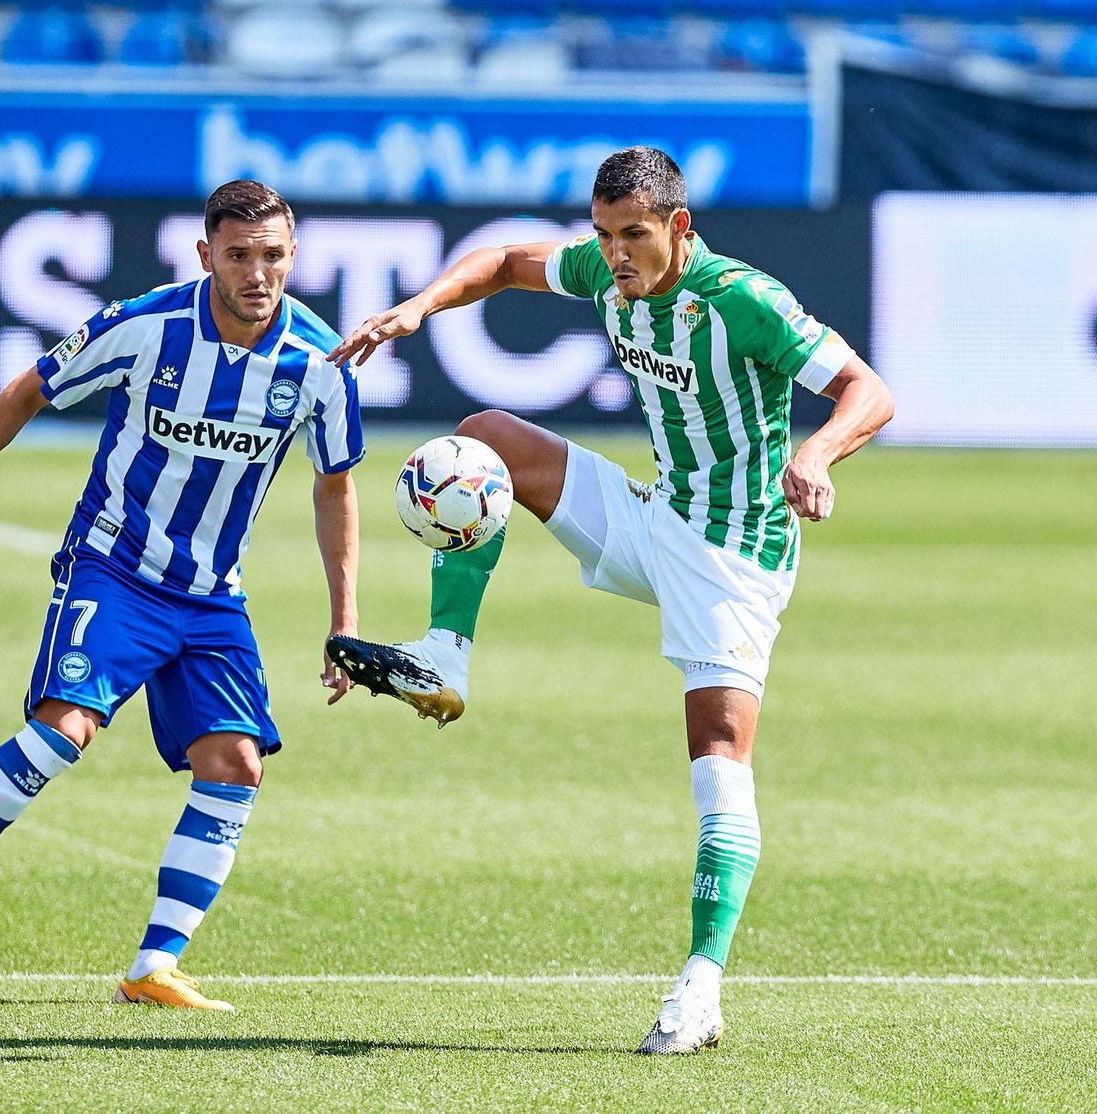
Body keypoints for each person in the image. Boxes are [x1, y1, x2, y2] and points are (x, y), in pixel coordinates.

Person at [325, 147, 893, 1053]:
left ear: (679, 227)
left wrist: (817, 453)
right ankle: (445, 656)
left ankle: (702, 985)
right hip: (655, 515)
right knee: (482, 441)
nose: (615, 254)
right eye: (603, 234)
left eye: (633, 234)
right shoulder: (607, 272)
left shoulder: (742, 299)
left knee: (717, 754)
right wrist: (420, 306)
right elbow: (505, 262)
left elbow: (869, 389)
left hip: (733, 554)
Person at [0, 179, 363, 1010]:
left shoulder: (321, 361)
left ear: (294, 255)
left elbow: (335, 485)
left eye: (272, 256)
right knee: (63, 731)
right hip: (115, 566)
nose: (257, 273)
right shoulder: (146, 326)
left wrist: (343, 621)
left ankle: (153, 967)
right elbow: (29, 390)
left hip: (212, 596)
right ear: (205, 255)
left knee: (235, 763)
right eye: (238, 256)